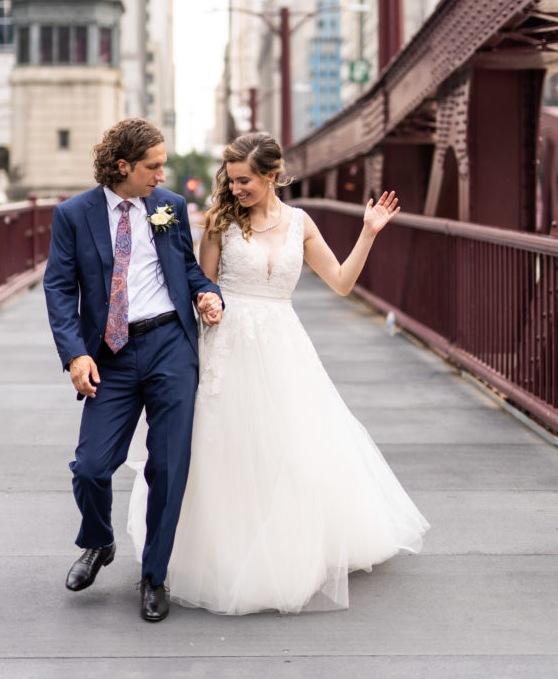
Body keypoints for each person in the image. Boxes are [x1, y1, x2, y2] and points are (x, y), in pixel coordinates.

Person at [127, 132, 429, 615]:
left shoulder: (300, 224)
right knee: (224, 448)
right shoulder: (221, 223)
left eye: (245, 180)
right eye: (231, 180)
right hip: (227, 343)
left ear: (271, 176)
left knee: (291, 447)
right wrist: (206, 303)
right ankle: (213, 555)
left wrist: (368, 232)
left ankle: (286, 551)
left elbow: (342, 283)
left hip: (283, 345)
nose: (236, 188)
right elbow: (200, 284)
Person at [44, 119, 223, 622]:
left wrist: (208, 293)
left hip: (170, 344)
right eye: (153, 165)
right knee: (91, 468)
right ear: (122, 166)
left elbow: (187, 268)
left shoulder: (168, 205)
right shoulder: (73, 215)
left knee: (167, 466)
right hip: (111, 356)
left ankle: (155, 575)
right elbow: (58, 288)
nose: (161, 173)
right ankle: (99, 543)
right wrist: (76, 354)